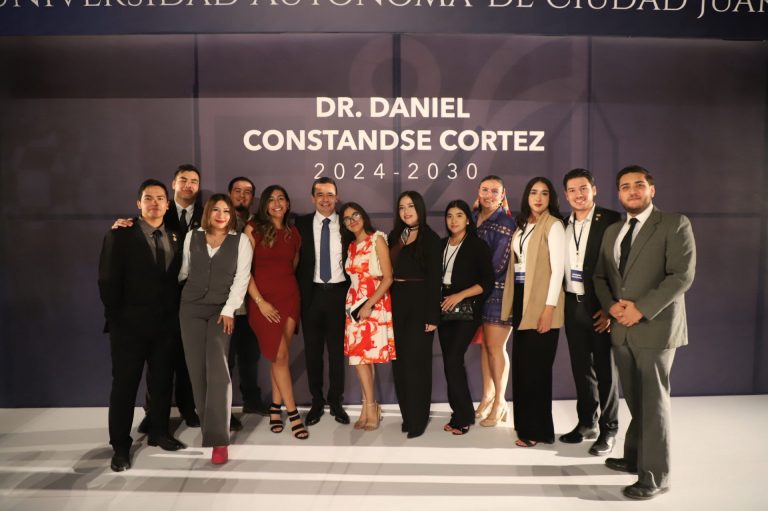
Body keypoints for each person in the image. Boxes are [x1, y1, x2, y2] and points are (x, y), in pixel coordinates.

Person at [593, 165, 696, 500]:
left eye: (639, 185)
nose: (632, 191)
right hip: (622, 330)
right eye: (625, 187)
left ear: (652, 189)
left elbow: (681, 275)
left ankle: (655, 476)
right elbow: (600, 277)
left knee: (653, 403)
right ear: (619, 194)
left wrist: (641, 309)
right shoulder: (614, 231)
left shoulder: (674, 224)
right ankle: (635, 457)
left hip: (655, 328)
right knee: (637, 400)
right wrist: (611, 307)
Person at [98, 179, 188, 472]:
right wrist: (118, 321)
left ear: (167, 204)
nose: (154, 203)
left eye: (160, 198)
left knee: (161, 383)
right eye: (148, 198)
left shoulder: (175, 236)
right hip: (129, 329)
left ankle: (159, 432)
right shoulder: (120, 235)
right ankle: (120, 447)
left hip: (165, 328)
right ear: (139, 203)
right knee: (124, 388)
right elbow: (107, 281)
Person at [112, 164, 201, 432]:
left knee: (182, 363)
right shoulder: (156, 213)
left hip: (188, 302)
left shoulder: (207, 212)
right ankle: (152, 417)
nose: (188, 185)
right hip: (148, 312)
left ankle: (186, 410)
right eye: (183, 180)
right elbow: (110, 279)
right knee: (153, 372)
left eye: (194, 181)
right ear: (173, 185)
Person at [179, 194, 253, 465]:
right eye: (216, 210)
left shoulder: (240, 241)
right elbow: (184, 271)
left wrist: (229, 309)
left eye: (226, 211)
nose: (221, 215)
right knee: (197, 371)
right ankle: (208, 430)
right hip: (190, 309)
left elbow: (242, 278)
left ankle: (220, 439)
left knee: (218, 371)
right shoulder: (192, 237)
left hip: (222, 311)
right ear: (208, 213)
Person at [559, 168, 622, 456]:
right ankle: (587, 423)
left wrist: (611, 308)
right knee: (581, 368)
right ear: (566, 195)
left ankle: (609, 429)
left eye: (583, 188)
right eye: (572, 190)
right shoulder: (562, 224)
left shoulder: (611, 220)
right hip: (572, 304)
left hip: (600, 307)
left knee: (606, 371)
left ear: (594, 190)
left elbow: (620, 267)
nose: (578, 194)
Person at [501, 177, 565, 448]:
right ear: (527, 196)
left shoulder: (554, 225)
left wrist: (549, 309)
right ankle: (525, 426)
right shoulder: (522, 225)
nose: (538, 198)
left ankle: (540, 430)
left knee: (537, 371)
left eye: (544, 193)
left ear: (551, 198)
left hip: (542, 303)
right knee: (522, 369)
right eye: (534, 193)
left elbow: (558, 271)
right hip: (521, 299)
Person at [245, 185, 309, 440]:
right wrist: (260, 302)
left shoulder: (294, 233)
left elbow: (292, 266)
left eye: (281, 198)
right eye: (271, 199)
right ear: (264, 205)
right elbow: (244, 271)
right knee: (280, 355)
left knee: (278, 357)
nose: (277, 203)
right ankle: (293, 414)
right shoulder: (252, 228)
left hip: (290, 298)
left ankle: (274, 407)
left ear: (288, 203)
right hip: (262, 302)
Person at [295, 177, 350, 426]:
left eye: (329, 194)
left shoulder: (347, 224)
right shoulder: (301, 224)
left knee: (337, 354)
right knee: (313, 353)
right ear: (312, 198)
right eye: (320, 194)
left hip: (339, 295)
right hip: (312, 295)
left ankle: (335, 400)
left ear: (336, 197)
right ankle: (316, 401)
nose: (325, 199)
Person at [437, 200, 495, 435]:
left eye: (459, 215)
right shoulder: (441, 244)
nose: (453, 220)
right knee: (449, 363)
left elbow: (487, 282)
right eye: (449, 216)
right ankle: (459, 413)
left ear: (468, 220)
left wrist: (459, 295)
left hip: (467, 310)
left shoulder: (477, 245)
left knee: (453, 359)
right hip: (443, 308)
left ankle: (463, 417)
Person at [388, 191, 442, 439]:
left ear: (419, 208)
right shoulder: (395, 236)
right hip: (396, 302)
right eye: (402, 207)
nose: (406, 211)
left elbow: (434, 280)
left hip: (420, 304)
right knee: (399, 363)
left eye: (410, 206)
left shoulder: (431, 239)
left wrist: (432, 316)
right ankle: (407, 416)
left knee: (417, 365)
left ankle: (419, 419)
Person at [339, 202, 396, 431]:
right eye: (347, 218)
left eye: (355, 215)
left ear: (363, 216)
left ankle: (370, 407)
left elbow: (388, 277)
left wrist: (369, 305)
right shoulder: (351, 246)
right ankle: (368, 406)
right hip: (354, 305)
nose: (352, 220)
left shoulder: (376, 239)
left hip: (372, 304)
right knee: (361, 360)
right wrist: (357, 306)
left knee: (363, 358)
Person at [472, 175, 515, 426]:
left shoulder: (506, 223)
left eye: (494, 191)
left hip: (498, 292)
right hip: (479, 292)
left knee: (496, 348)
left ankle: (500, 402)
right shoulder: (474, 216)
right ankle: (488, 396)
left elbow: (498, 265)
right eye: (485, 190)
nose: (489, 195)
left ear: (503, 195)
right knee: (485, 346)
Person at [226, 176, 268, 419]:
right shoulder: (219, 220)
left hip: (251, 303)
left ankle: (252, 401)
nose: (242, 196)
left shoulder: (259, 224)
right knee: (225, 360)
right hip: (227, 304)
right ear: (229, 194)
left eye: (247, 192)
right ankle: (223, 410)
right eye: (237, 191)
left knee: (250, 357)